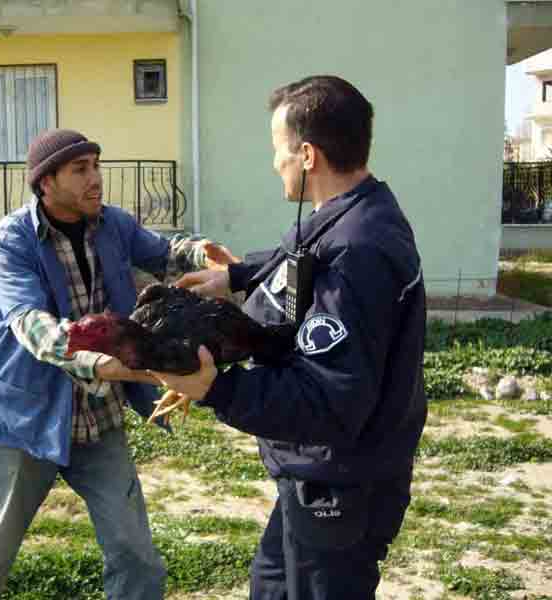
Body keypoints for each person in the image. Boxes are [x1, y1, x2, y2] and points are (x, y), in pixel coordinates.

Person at [150, 76, 427, 600]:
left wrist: (215, 390)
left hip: (342, 481)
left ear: (306, 154)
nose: (273, 162)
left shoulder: (360, 251)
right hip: (317, 476)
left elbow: (330, 401)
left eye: (277, 150)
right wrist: (234, 276)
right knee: (270, 586)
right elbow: (298, 258)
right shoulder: (346, 216)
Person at [0, 128, 231, 600]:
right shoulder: (10, 241)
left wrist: (204, 253)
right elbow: (31, 326)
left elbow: (165, 252)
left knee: (136, 556)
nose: (96, 179)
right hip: (25, 421)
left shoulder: (113, 226)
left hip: (99, 420)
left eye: (97, 166)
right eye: (81, 170)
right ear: (45, 183)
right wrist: (101, 363)